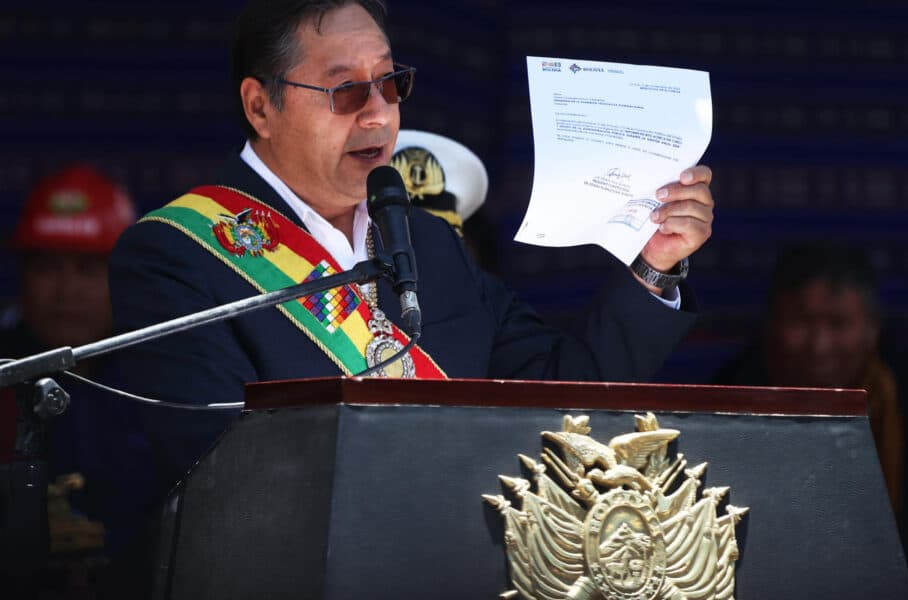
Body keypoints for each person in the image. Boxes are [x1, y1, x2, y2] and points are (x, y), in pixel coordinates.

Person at [107, 0, 715, 505]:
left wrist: (654, 265)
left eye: (390, 83)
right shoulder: (177, 254)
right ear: (261, 106)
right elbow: (218, 478)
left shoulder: (429, 242)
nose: (377, 113)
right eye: (345, 91)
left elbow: (563, 394)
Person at [713, 241, 908, 597]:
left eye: (837, 324)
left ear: (872, 328)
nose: (819, 345)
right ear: (773, 324)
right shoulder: (729, 401)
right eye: (802, 322)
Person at [0, 164, 148, 596]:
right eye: (49, 267)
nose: (66, 291)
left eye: (88, 270)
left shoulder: (165, 384)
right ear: (22, 275)